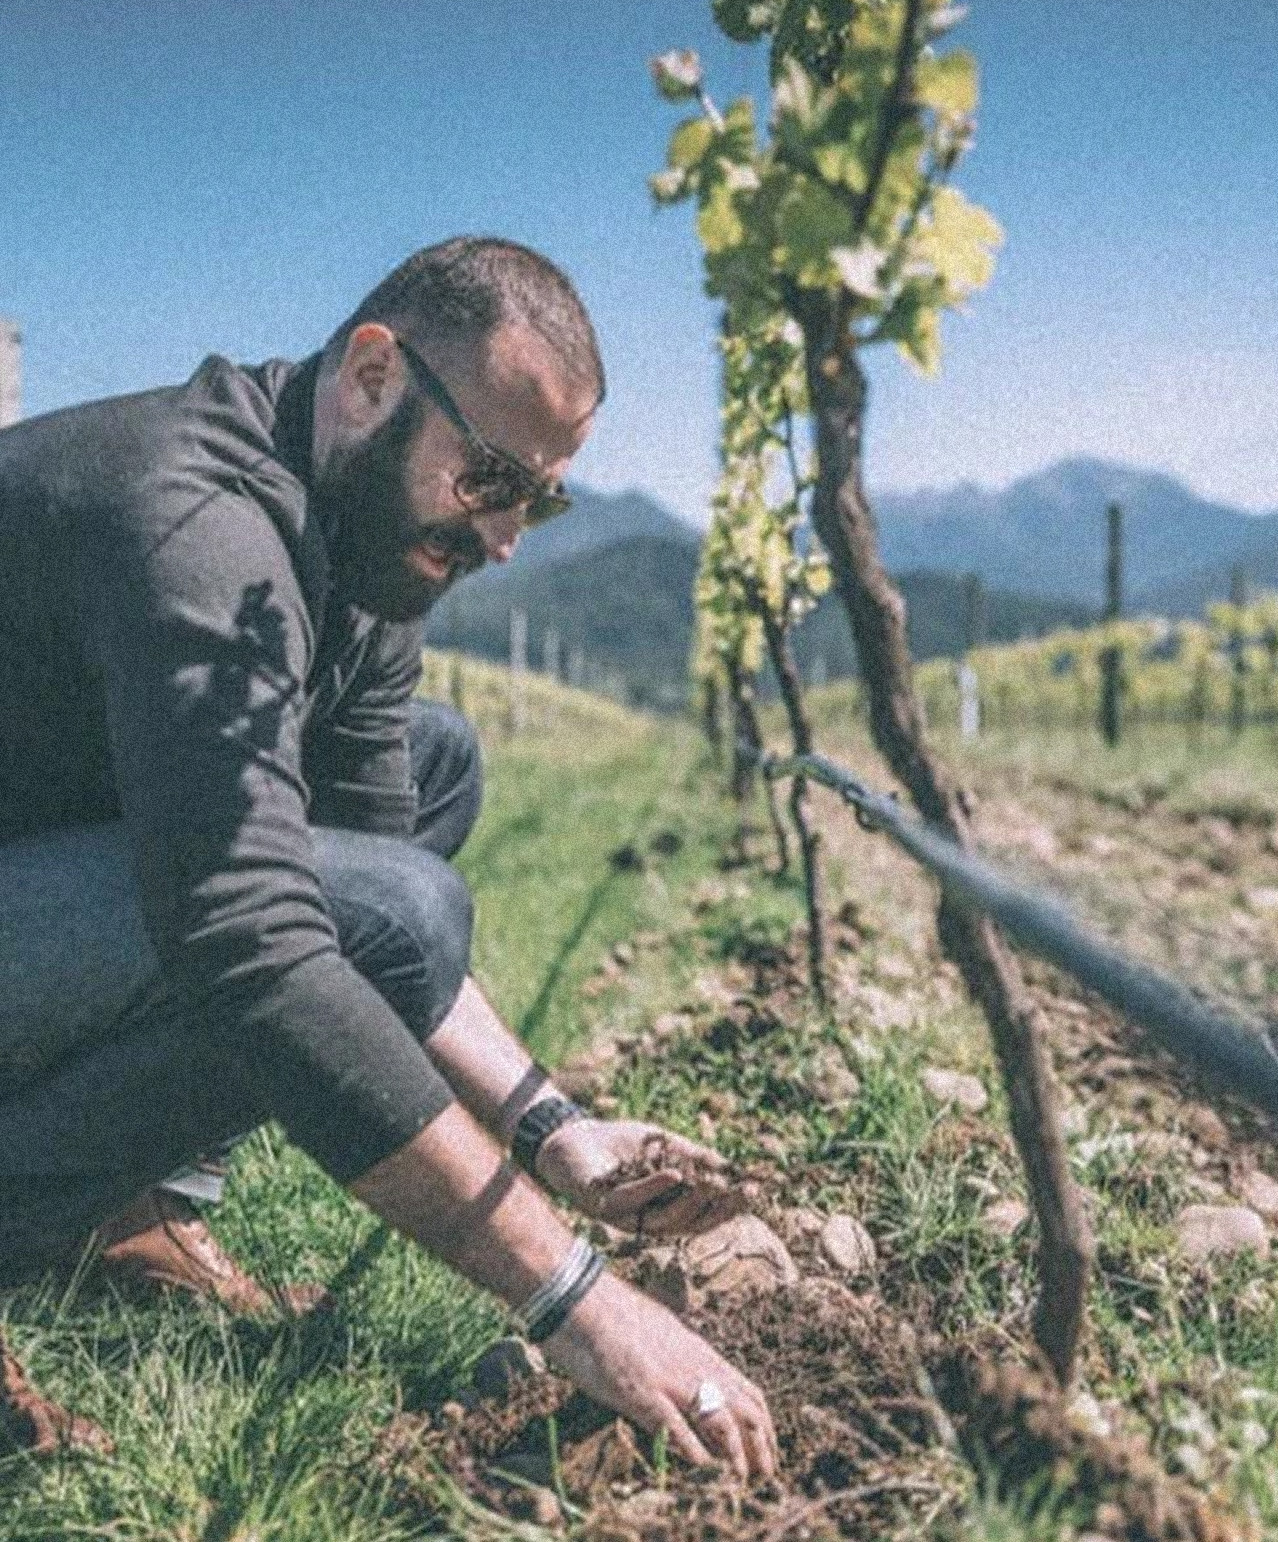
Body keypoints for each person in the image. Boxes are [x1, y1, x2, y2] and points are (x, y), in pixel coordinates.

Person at [0, 238, 777, 1479]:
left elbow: (367, 879)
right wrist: (577, 1300)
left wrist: (552, 1130)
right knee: (360, 918)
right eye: (490, 477)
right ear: (372, 376)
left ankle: (109, 1205)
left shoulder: (357, 555)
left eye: (544, 497)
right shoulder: (194, 525)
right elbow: (274, 942)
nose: (512, 535)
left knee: (432, 774)